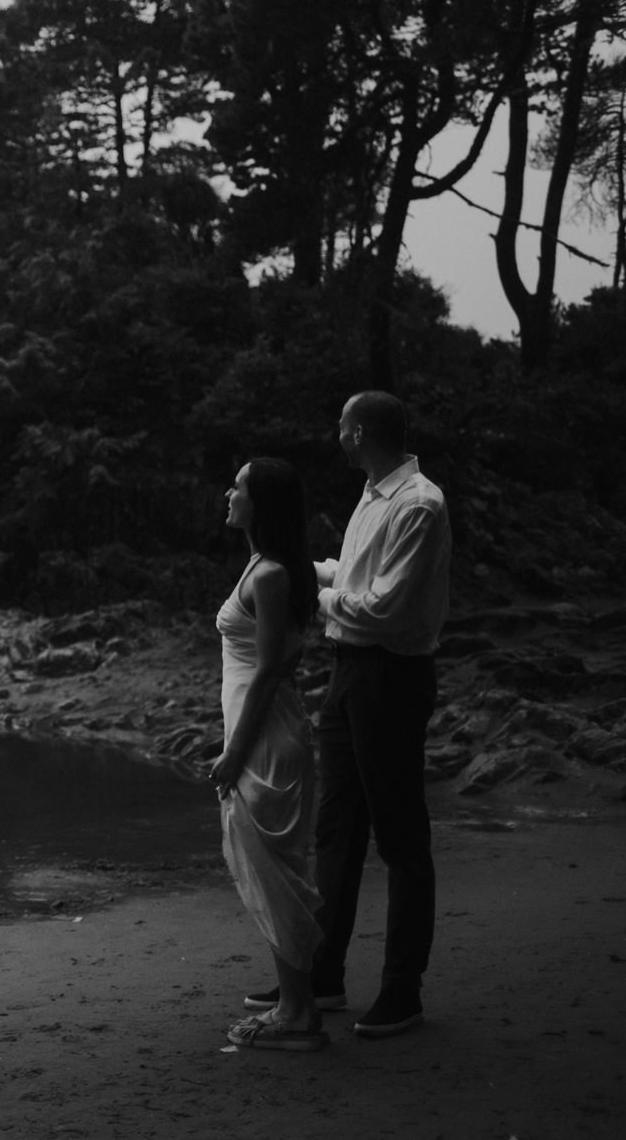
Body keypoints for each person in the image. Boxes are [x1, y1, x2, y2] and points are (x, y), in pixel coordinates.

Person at [243, 390, 451, 1039]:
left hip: (390, 673)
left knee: (399, 834)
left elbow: (382, 606)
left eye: (341, 425)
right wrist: (305, 572)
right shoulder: (375, 491)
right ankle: (322, 972)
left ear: (360, 431)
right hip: (352, 670)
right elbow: (354, 576)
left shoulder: (419, 502)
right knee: (336, 829)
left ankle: (401, 989)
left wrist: (312, 595)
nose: (335, 434)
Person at [210, 458, 327, 1051]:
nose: (229, 494)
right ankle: (295, 1006)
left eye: (239, 488)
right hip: (261, 736)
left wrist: (233, 753)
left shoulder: (273, 575)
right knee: (275, 873)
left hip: (267, 743)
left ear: (262, 505)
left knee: (280, 876)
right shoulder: (265, 568)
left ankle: (299, 1015)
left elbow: (268, 671)